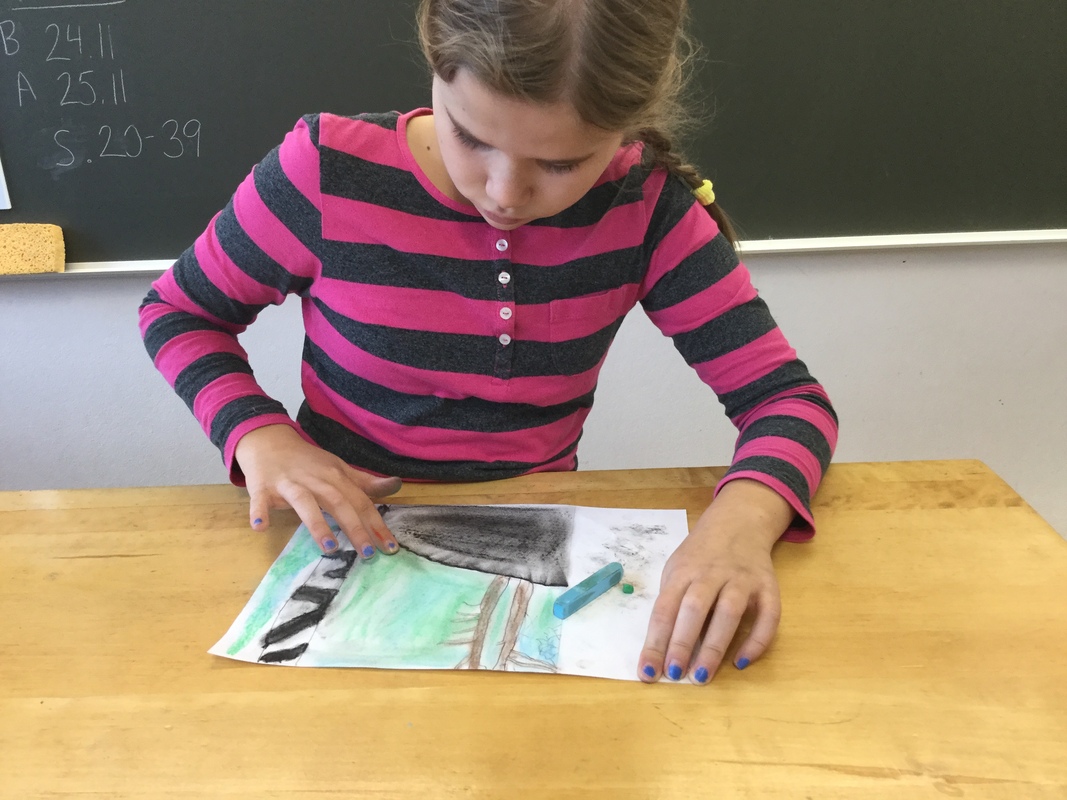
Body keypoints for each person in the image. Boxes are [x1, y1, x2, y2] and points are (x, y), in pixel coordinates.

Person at [139, 0, 837, 685]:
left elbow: (787, 401)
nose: (505, 192)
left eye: (561, 164)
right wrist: (259, 434)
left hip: (537, 557)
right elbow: (178, 312)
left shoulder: (645, 208)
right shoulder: (326, 173)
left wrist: (744, 520)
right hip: (332, 545)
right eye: (471, 138)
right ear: (435, 61)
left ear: (624, 130)